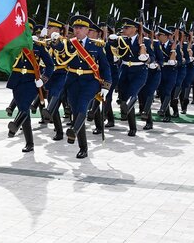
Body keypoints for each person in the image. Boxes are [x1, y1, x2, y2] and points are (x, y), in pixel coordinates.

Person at [63, 15, 111, 158]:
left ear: (87, 30)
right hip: (72, 82)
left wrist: (106, 87)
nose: (77, 30)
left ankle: (73, 130)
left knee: (83, 106)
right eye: (75, 28)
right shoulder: (68, 44)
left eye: (80, 28)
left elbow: (105, 67)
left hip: (90, 81)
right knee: (76, 111)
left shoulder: (96, 45)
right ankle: (83, 147)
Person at [6, 19, 53, 152]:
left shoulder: (38, 46)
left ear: (31, 31)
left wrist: (43, 79)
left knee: (25, 106)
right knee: (23, 109)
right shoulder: (14, 45)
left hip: (32, 82)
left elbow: (50, 65)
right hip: (17, 81)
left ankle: (15, 124)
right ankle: (29, 143)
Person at [113, 18, 151, 137]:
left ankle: (144, 122)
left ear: (135, 29)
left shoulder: (146, 41)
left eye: (126, 27)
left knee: (132, 95)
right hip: (124, 71)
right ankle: (132, 126)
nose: (124, 30)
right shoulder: (121, 40)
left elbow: (152, 58)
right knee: (125, 98)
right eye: (123, 27)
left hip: (139, 71)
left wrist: (144, 53)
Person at [40, 17, 70, 140]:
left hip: (62, 73)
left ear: (57, 30)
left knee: (55, 95)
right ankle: (59, 131)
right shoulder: (45, 42)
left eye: (50, 28)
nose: (47, 30)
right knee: (51, 99)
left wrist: (56, 42)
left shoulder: (63, 41)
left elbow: (63, 52)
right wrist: (40, 41)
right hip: (50, 74)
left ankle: (62, 125)